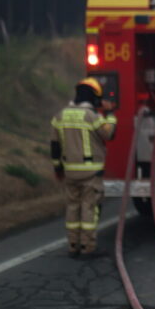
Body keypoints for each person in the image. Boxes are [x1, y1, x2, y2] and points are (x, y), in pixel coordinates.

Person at [50, 77, 116, 256]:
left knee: (72, 207)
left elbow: (55, 147)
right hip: (90, 173)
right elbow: (108, 133)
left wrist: (58, 169)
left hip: (70, 172)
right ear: (93, 98)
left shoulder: (59, 116)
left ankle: (73, 245)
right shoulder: (92, 116)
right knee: (89, 209)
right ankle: (88, 247)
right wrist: (110, 114)